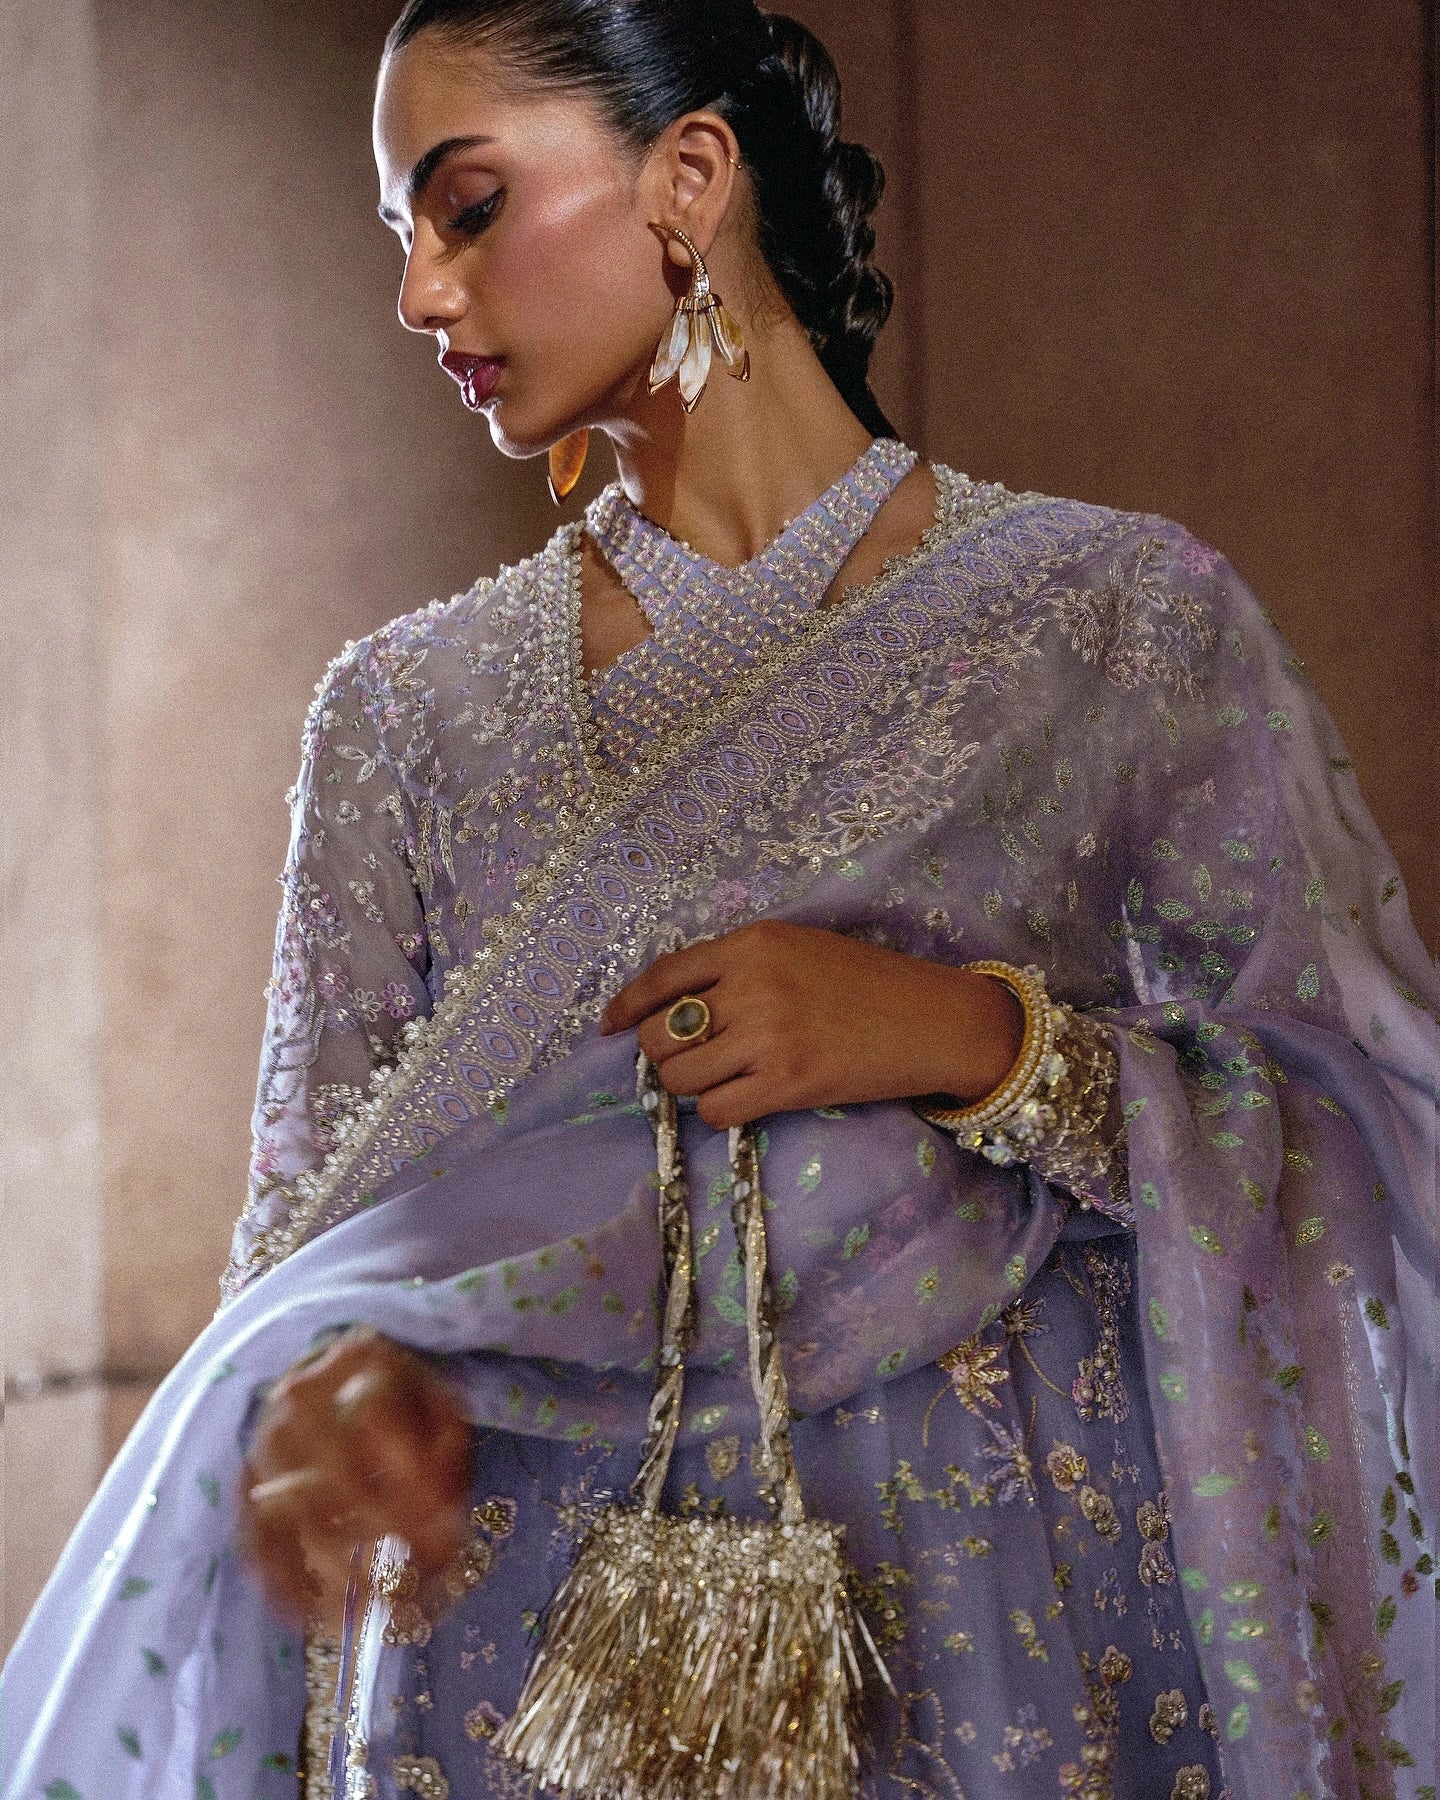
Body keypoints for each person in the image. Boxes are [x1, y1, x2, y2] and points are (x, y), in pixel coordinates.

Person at [3, 3, 1436, 1798]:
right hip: (522, 1655)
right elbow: (307, 1262)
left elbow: (1352, 1136)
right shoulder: (405, 716)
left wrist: (966, 1037)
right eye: (399, 238)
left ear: (688, 176)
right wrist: (331, 1399)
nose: (421, 295)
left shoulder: (1115, 623)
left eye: (466, 208)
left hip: (1000, 1619)